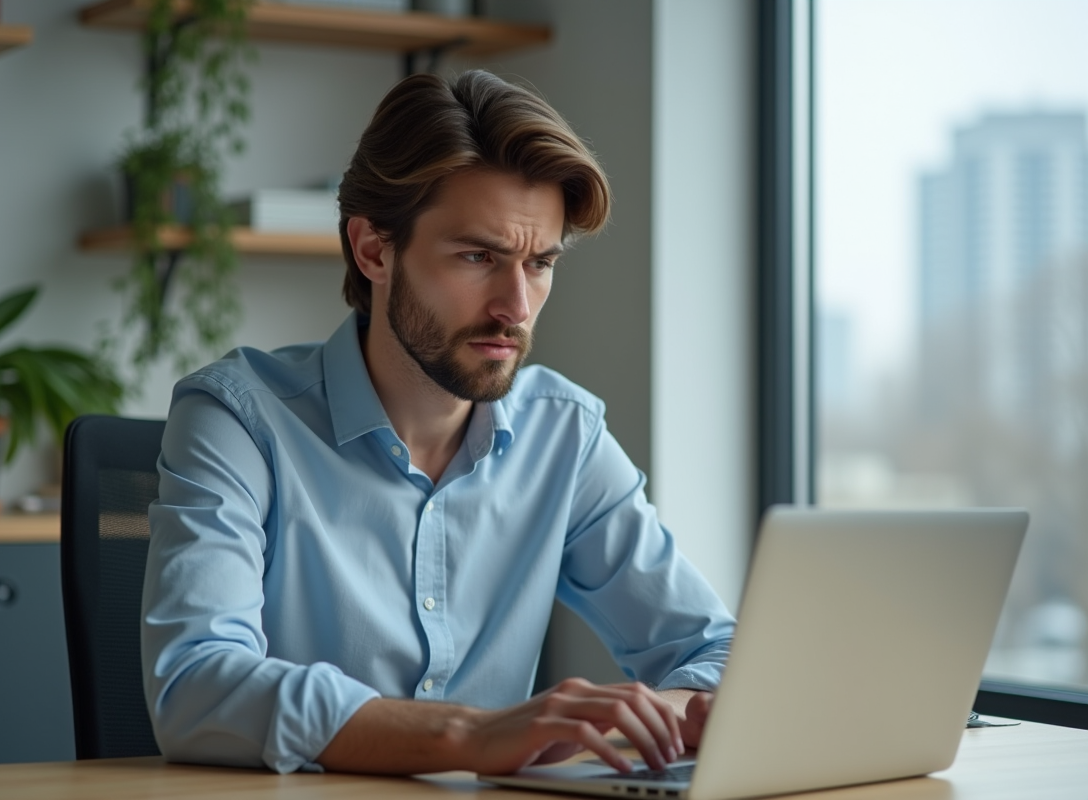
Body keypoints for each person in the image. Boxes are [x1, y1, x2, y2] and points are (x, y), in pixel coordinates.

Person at [141, 70, 736, 778]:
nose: (516, 305)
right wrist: (466, 736)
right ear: (373, 250)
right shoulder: (239, 421)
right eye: (478, 257)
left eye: (540, 263)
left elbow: (717, 651)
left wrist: (656, 714)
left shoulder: (563, 438)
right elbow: (196, 686)